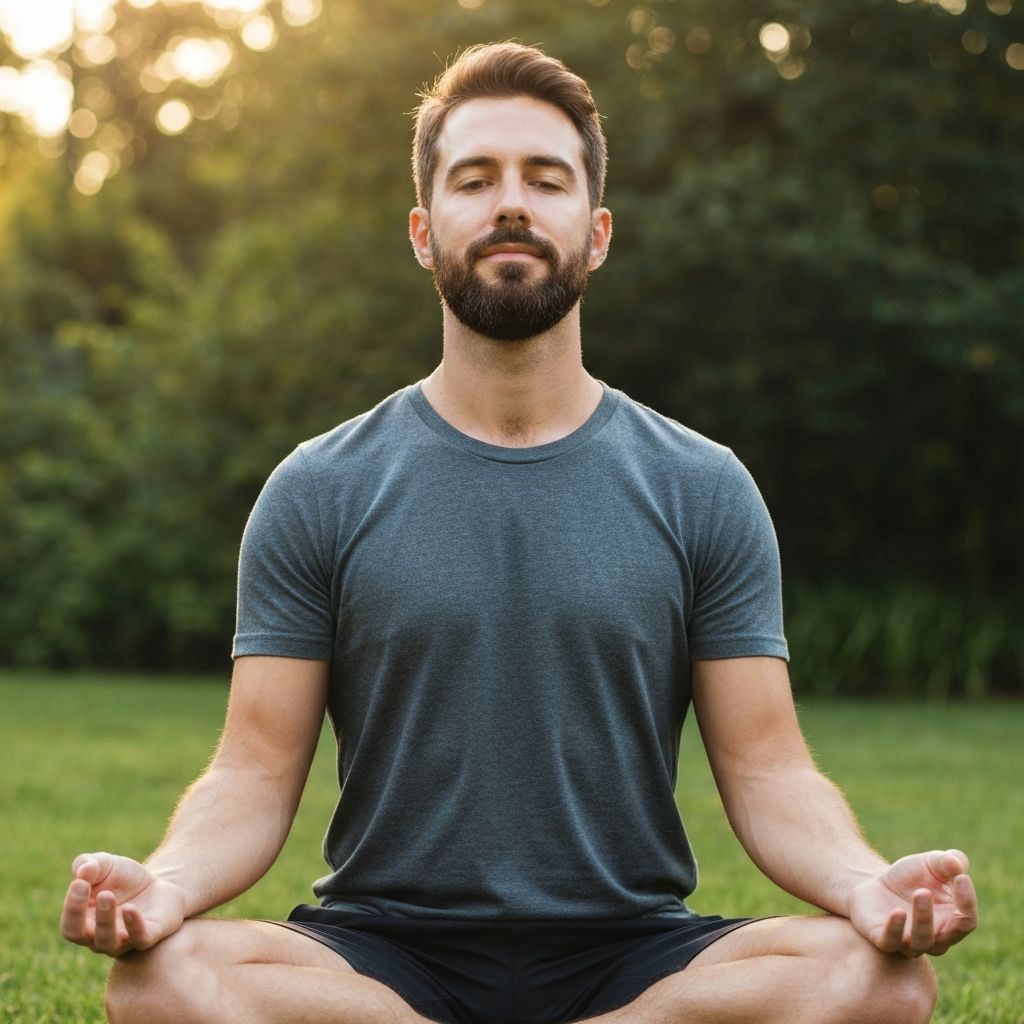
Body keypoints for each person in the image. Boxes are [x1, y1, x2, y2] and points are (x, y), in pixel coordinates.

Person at [61, 42, 977, 1024]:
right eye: (474, 179)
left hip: (635, 956)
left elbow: (767, 770)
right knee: (158, 976)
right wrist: (166, 881)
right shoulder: (318, 488)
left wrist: (861, 883)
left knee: (881, 978)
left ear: (596, 232)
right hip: (377, 960)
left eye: (546, 179)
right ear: (423, 230)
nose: (511, 204)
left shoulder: (701, 486)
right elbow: (249, 770)